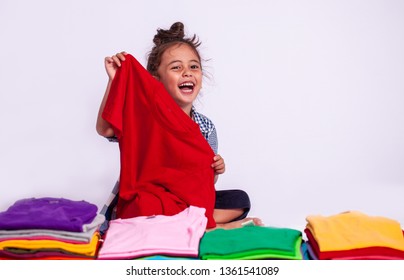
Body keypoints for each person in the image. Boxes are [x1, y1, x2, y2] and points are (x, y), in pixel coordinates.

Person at [96, 22, 262, 230]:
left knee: (239, 200)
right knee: (148, 206)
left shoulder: (205, 126)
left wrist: (217, 170)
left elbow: (204, 184)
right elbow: (106, 130)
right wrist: (114, 81)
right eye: (176, 67)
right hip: (152, 200)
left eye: (194, 66)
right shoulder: (143, 118)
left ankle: (190, 222)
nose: (187, 72)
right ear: (155, 80)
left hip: (186, 200)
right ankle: (212, 226)